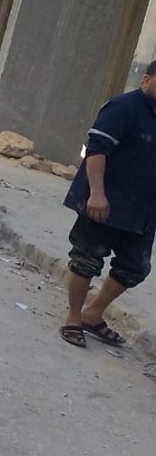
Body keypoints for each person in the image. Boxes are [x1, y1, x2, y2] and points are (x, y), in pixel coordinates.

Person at [58, 59, 156, 348]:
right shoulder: (123, 107)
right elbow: (97, 150)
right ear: (147, 80)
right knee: (86, 259)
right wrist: (97, 193)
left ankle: (92, 314)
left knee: (134, 268)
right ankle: (73, 318)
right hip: (105, 202)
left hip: (143, 211)